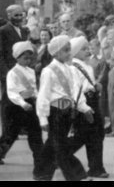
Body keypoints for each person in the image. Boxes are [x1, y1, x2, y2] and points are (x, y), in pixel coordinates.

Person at [37, 35, 92, 182]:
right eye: (66, 50)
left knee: (53, 144)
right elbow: (43, 95)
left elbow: (76, 91)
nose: (69, 53)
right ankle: (78, 176)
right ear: (56, 53)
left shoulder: (71, 69)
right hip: (55, 112)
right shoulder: (48, 71)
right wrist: (42, 117)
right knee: (61, 147)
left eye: (70, 50)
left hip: (68, 113)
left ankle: (40, 173)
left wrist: (84, 107)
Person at [0, 42, 45, 178]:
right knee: (11, 133)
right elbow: (12, 92)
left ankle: (40, 161)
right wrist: (21, 103)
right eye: (25, 58)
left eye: (30, 58)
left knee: (35, 133)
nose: (28, 61)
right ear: (17, 57)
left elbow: (34, 88)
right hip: (15, 106)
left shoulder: (31, 71)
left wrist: (36, 99)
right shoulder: (12, 73)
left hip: (30, 104)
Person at [68, 37, 107, 178]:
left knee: (96, 135)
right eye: (83, 49)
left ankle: (96, 168)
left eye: (88, 48)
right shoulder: (73, 67)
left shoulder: (88, 66)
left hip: (93, 100)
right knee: (83, 135)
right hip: (84, 103)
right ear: (74, 52)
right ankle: (60, 156)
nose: (87, 51)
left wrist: (96, 86)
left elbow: (88, 83)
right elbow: (76, 88)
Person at [0, 5, 30, 134]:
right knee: (8, 102)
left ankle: (21, 128)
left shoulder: (25, 31)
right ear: (9, 16)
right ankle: (7, 130)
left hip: (23, 72)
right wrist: (7, 73)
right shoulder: (2, 31)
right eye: (16, 15)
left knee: (23, 99)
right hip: (9, 72)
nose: (19, 18)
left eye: (21, 15)